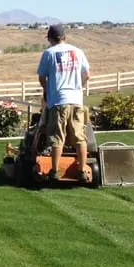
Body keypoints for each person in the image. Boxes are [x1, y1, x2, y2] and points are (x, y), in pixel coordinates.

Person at [37, 24, 91, 182]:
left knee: (57, 137)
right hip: (76, 100)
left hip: (58, 101)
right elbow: (87, 75)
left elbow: (42, 77)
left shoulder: (49, 53)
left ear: (50, 39)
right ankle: (81, 171)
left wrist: (48, 91)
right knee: (80, 137)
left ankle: (54, 171)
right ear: (64, 37)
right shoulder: (78, 52)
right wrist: (78, 87)